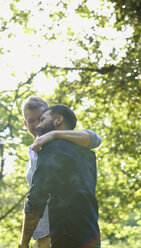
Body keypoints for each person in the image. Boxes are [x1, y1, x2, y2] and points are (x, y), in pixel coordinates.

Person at [21, 97, 101, 248]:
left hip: (62, 233)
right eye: (31, 121)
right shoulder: (32, 158)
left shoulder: (58, 147)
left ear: (57, 120)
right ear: (25, 124)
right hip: (43, 235)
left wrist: (54, 135)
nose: (37, 124)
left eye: (41, 118)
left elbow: (95, 139)